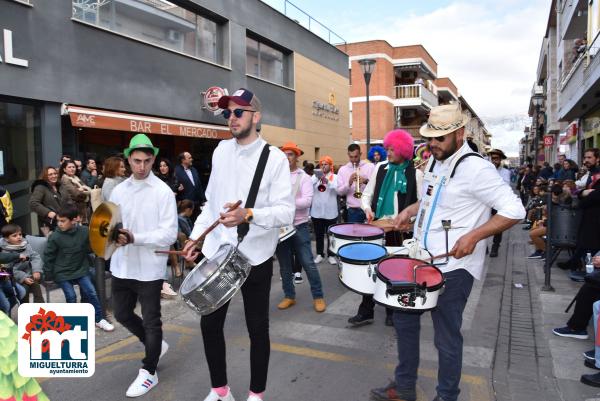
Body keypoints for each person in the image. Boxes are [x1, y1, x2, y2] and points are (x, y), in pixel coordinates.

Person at [370, 103, 525, 401]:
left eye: (440, 139)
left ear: (460, 134)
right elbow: (432, 201)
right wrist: (410, 212)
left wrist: (475, 235)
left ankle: (447, 396)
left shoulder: (477, 169)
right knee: (403, 321)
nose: (433, 145)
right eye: (430, 138)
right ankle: (403, 388)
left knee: (446, 338)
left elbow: (514, 210)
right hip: (420, 259)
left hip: (454, 268)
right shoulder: (434, 161)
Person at [182, 88, 294, 401]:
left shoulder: (273, 159)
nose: (231, 118)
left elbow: (286, 211)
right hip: (219, 254)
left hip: (254, 256)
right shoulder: (220, 151)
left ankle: (256, 394)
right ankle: (220, 390)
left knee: (257, 329)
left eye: (238, 112)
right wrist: (196, 236)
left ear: (255, 117)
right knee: (210, 325)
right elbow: (210, 203)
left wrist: (249, 214)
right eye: (227, 112)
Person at [107, 134, 178, 397]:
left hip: (149, 267)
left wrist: (136, 237)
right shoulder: (118, 190)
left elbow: (169, 233)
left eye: (147, 161)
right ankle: (155, 346)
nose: (142, 166)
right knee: (123, 314)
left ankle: (149, 370)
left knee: (152, 321)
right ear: (128, 159)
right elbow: (110, 225)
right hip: (122, 264)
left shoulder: (162, 191)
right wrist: (114, 235)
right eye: (137, 161)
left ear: (153, 159)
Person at [350, 129, 418, 328]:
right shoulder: (380, 168)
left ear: (403, 151)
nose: (387, 153)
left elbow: (423, 205)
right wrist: (368, 209)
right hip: (377, 226)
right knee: (370, 269)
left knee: (394, 273)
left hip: (399, 232)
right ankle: (366, 311)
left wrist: (407, 219)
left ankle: (392, 311)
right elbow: (366, 195)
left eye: (392, 149)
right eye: (387, 148)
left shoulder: (416, 173)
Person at [43, 204, 113, 332]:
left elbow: (90, 247)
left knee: (91, 293)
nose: (59, 224)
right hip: (62, 272)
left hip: (81, 269)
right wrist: (48, 276)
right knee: (71, 296)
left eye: (63, 221)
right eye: (58, 220)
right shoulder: (55, 237)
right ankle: (73, 323)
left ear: (74, 220)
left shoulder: (84, 231)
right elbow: (48, 257)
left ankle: (99, 319)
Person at [276, 142, 326, 312]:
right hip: (281, 226)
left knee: (308, 263)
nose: (287, 157)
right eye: (285, 154)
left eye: (290, 154)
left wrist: (287, 203)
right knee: (284, 266)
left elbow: (307, 201)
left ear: (297, 157)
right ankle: (289, 296)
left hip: (299, 226)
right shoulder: (277, 176)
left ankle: (318, 296)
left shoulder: (303, 177)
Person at [557, 148, 600, 271]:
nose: (586, 160)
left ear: (597, 159)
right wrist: (583, 193)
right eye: (585, 157)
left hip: (595, 214)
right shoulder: (592, 172)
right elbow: (587, 192)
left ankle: (588, 270)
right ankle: (575, 263)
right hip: (589, 212)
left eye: (589, 158)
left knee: (591, 243)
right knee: (584, 241)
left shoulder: (598, 173)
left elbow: (596, 195)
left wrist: (581, 197)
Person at [0, 224, 44, 303]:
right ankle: (26, 310)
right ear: (7, 239)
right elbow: (9, 270)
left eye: (20, 234)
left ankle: (40, 308)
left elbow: (35, 257)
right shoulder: (5, 252)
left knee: (36, 285)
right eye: (15, 235)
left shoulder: (25, 245)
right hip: (15, 278)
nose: (19, 237)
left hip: (30, 273)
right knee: (24, 290)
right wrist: (24, 278)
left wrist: (36, 270)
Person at [311, 156, 339, 265]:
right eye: (321, 164)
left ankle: (331, 255)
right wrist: (317, 178)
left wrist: (327, 181)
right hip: (317, 211)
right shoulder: (314, 177)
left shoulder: (334, 177)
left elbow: (338, 189)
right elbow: (308, 185)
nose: (323, 166)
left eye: (326, 164)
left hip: (330, 211)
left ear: (330, 165)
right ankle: (319, 254)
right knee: (319, 234)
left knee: (331, 235)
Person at [337, 144, 376, 223]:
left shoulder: (370, 167)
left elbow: (377, 186)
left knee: (369, 234)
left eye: (356, 157)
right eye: (351, 157)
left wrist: (365, 181)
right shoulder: (343, 170)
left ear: (360, 154)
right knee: (354, 235)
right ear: (348, 155)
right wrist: (349, 183)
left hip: (369, 207)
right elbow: (339, 192)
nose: (354, 160)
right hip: (353, 210)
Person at [30, 166, 68, 236]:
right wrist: (48, 212)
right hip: (49, 223)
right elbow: (33, 203)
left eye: (55, 173)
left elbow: (68, 200)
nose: (54, 176)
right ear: (45, 176)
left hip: (64, 221)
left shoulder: (60, 186)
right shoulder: (40, 187)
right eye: (50, 174)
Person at [487, 149, 511, 257]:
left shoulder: (505, 172)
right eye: (492, 158)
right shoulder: (485, 170)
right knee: (482, 223)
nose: (494, 161)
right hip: (485, 202)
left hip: (498, 202)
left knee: (497, 226)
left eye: (496, 159)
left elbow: (505, 186)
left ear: (500, 160)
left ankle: (495, 247)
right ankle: (484, 247)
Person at [175, 151, 206, 219]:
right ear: (183, 160)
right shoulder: (176, 171)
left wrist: (203, 200)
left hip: (196, 204)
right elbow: (174, 185)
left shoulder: (194, 170)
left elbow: (199, 186)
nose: (191, 159)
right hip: (185, 206)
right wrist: (177, 187)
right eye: (189, 158)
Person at [59, 160, 92, 224]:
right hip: (74, 211)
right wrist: (85, 193)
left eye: (73, 167)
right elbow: (77, 194)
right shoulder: (65, 179)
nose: (72, 169)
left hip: (82, 210)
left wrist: (81, 190)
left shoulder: (76, 178)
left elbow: (87, 189)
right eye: (69, 167)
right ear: (64, 169)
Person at [0, 251, 27, 315]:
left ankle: (4, 312)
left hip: (3, 279)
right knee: (5, 305)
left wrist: (3, 272)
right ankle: (4, 315)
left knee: (21, 292)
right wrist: (16, 256)